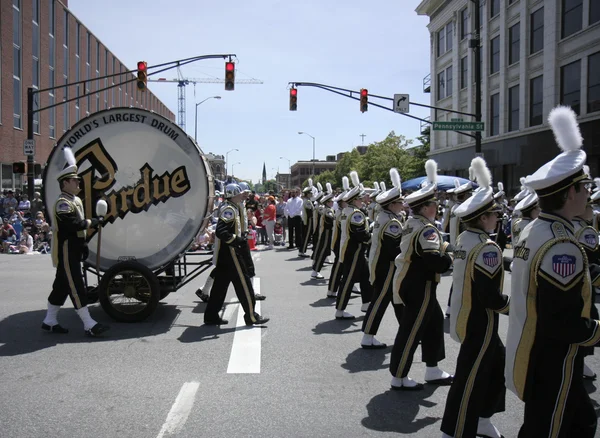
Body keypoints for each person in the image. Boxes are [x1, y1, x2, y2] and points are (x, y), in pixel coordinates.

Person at [506, 106, 600, 437]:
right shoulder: (562, 246)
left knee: (581, 421)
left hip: (536, 350)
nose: (589, 193)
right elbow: (561, 320)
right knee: (546, 429)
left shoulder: (534, 229)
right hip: (554, 357)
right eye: (585, 187)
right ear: (569, 192)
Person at [441, 157, 509, 438]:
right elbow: (489, 296)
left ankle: (482, 418)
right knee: (469, 378)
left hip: (468, 316)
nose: (498, 217)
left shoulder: (465, 239)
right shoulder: (487, 248)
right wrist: (516, 307)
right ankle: (454, 429)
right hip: (479, 320)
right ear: (482, 217)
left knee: (496, 367)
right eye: (494, 213)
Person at [389, 159, 453, 390]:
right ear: (425, 207)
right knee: (412, 329)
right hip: (419, 284)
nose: (437, 208)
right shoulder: (426, 228)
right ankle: (399, 375)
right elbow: (434, 261)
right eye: (434, 205)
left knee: (434, 322)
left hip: (411, 280)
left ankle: (433, 369)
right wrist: (450, 258)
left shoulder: (414, 222)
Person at [41, 148, 109, 337]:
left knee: (61, 286)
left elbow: (77, 229)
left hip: (73, 247)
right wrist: (93, 222)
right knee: (75, 285)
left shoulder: (75, 200)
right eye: (74, 180)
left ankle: (50, 321)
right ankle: (89, 324)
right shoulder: (63, 203)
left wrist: (83, 244)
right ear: (65, 183)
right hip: (66, 249)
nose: (78, 182)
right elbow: (72, 225)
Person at [204, 183, 269, 326]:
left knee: (220, 286)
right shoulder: (230, 209)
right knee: (243, 283)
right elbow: (221, 231)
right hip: (231, 252)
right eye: (240, 193)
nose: (242, 195)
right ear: (233, 194)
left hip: (226, 253)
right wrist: (237, 240)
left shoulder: (231, 207)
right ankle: (251, 316)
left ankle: (211, 316)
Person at [362, 168, 404, 349]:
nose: (402, 204)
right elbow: (392, 248)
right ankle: (368, 335)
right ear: (392, 204)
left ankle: (407, 330)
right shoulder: (392, 222)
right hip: (387, 266)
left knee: (397, 299)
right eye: (400, 202)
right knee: (380, 300)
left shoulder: (384, 217)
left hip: (382, 264)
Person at [335, 171, 372, 320]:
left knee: (365, 276)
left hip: (351, 249)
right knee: (348, 280)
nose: (363, 200)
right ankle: (340, 309)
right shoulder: (356, 214)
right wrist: (371, 239)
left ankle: (366, 303)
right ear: (355, 199)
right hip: (354, 250)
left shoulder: (347, 211)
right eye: (360, 198)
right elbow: (360, 234)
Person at [327, 177, 350, 298]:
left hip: (340, 242)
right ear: (342, 202)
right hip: (340, 243)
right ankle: (332, 289)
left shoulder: (342, 212)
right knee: (338, 267)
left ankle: (334, 289)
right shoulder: (342, 213)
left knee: (341, 267)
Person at [311, 183, 334, 280]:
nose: (333, 202)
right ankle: (315, 271)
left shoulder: (327, 209)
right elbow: (331, 222)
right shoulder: (327, 211)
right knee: (323, 251)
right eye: (331, 201)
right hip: (326, 233)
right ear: (327, 202)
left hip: (326, 232)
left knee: (324, 251)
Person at [299, 180, 314, 257]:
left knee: (306, 236)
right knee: (306, 236)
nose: (311, 194)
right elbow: (310, 213)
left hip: (307, 220)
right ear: (307, 194)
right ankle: (302, 251)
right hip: (308, 220)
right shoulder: (307, 201)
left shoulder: (307, 200)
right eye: (310, 193)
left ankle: (302, 250)